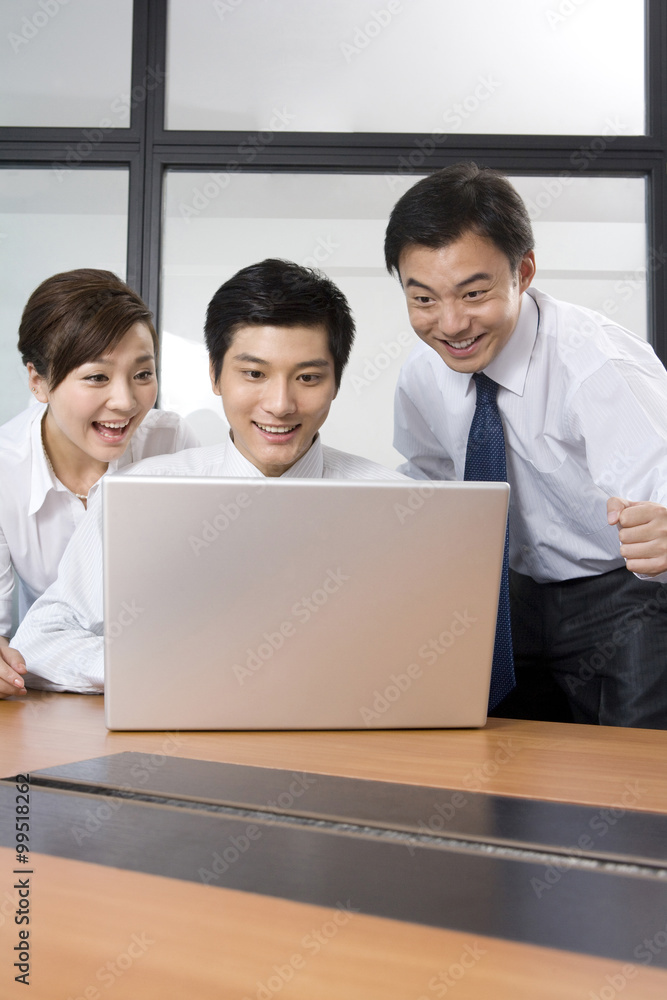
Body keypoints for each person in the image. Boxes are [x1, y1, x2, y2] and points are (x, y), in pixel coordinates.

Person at [13, 259, 406, 693]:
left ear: (335, 383)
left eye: (308, 377)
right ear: (215, 376)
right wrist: (164, 667)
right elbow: (42, 639)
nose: (279, 404)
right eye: (254, 374)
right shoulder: (141, 492)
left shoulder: (403, 505)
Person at [385, 161, 667, 729]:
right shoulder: (423, 375)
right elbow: (431, 483)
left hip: (617, 598)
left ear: (525, 271)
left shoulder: (597, 366)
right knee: (501, 763)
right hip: (500, 596)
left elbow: (660, 501)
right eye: (424, 299)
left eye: (474, 292)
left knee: (638, 776)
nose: (452, 323)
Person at [0, 269, 198, 699]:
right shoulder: (4, 471)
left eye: (143, 374)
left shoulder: (171, 442)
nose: (126, 402)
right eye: (97, 377)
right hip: (53, 694)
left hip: (165, 687)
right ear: (38, 381)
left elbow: (201, 590)